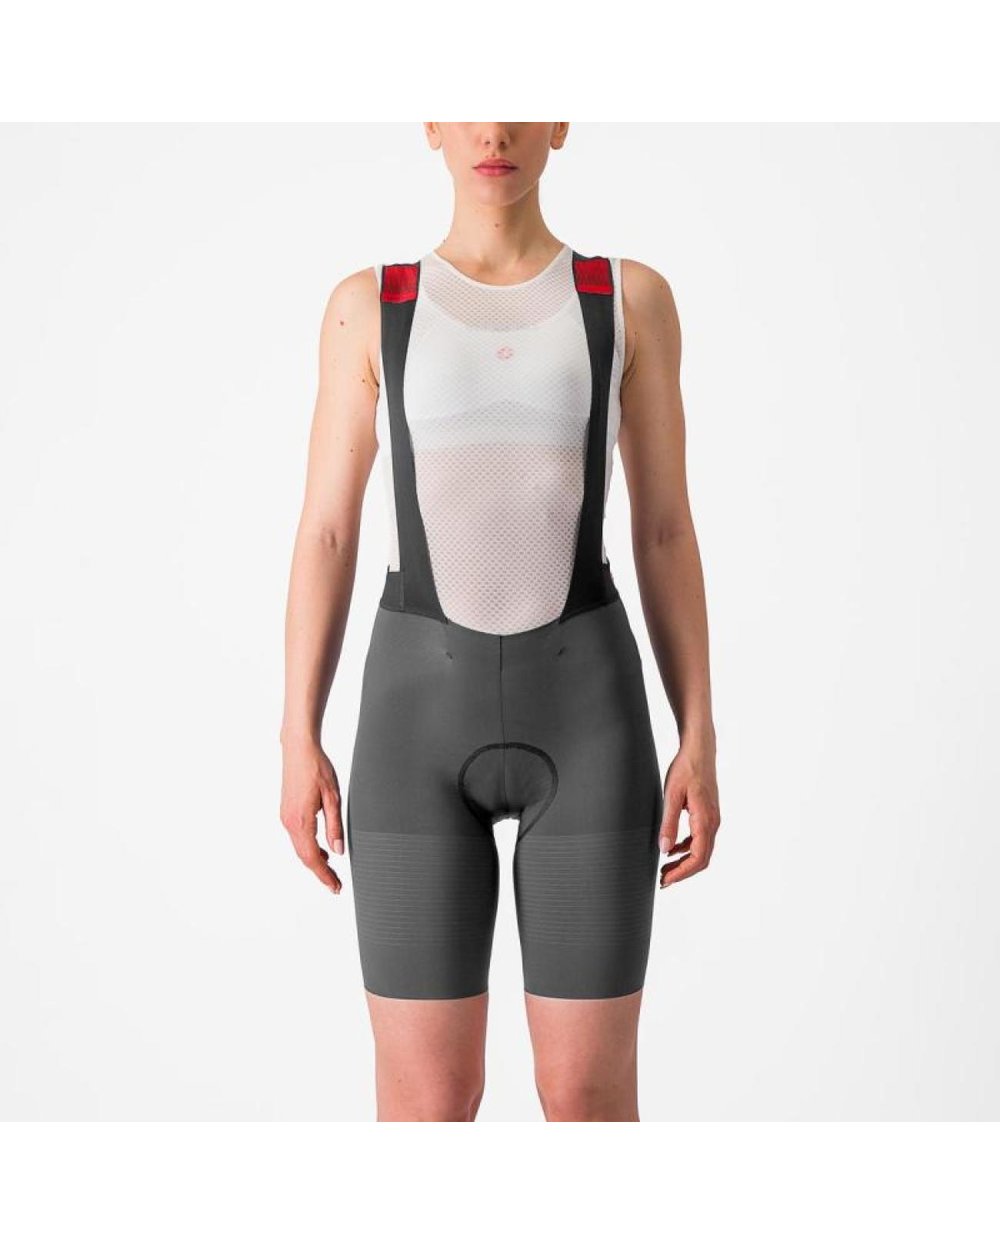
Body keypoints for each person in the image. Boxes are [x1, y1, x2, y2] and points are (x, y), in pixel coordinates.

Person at [280, 122, 721, 1122]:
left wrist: (697, 731)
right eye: (468, 102)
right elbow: (327, 531)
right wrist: (296, 734)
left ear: (560, 122)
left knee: (586, 1096)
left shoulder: (626, 298)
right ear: (430, 123)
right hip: (414, 730)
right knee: (428, 1102)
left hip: (591, 723)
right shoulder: (371, 305)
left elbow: (662, 527)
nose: (493, 131)